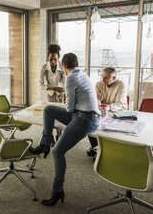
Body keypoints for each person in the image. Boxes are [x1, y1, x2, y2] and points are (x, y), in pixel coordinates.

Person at [30, 53, 100, 206]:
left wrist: (67, 100)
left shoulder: (71, 78)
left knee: (58, 151)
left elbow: (69, 108)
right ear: (77, 63)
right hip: (84, 115)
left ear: (63, 65)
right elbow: (72, 107)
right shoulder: (82, 74)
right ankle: (45, 143)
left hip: (84, 119)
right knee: (48, 109)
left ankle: (57, 191)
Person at [87, 67, 127, 157]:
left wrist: (107, 106)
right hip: (103, 111)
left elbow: (120, 104)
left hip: (117, 112)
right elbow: (94, 102)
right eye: (102, 77)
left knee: (108, 126)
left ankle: (106, 151)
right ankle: (95, 147)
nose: (103, 80)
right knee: (90, 121)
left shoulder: (121, 85)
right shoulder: (98, 84)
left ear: (113, 78)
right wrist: (97, 100)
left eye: (106, 78)